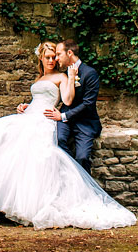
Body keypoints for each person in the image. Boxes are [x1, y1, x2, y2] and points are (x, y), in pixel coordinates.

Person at [0, 41, 136, 229]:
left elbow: (67, 99)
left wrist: (70, 77)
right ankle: (11, 200)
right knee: (4, 142)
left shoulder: (61, 76)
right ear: (41, 58)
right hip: (29, 114)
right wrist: (24, 105)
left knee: (37, 154)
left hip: (45, 118)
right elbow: (38, 98)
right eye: (48, 58)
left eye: (54, 57)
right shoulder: (39, 78)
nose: (51, 61)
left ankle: (33, 206)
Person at [47, 39, 102, 174]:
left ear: (69, 53)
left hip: (85, 122)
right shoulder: (62, 74)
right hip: (65, 120)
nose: (56, 58)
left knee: (82, 157)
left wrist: (64, 116)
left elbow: (88, 104)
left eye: (59, 54)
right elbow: (52, 96)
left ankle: (84, 186)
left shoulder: (90, 73)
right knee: (58, 140)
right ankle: (73, 175)